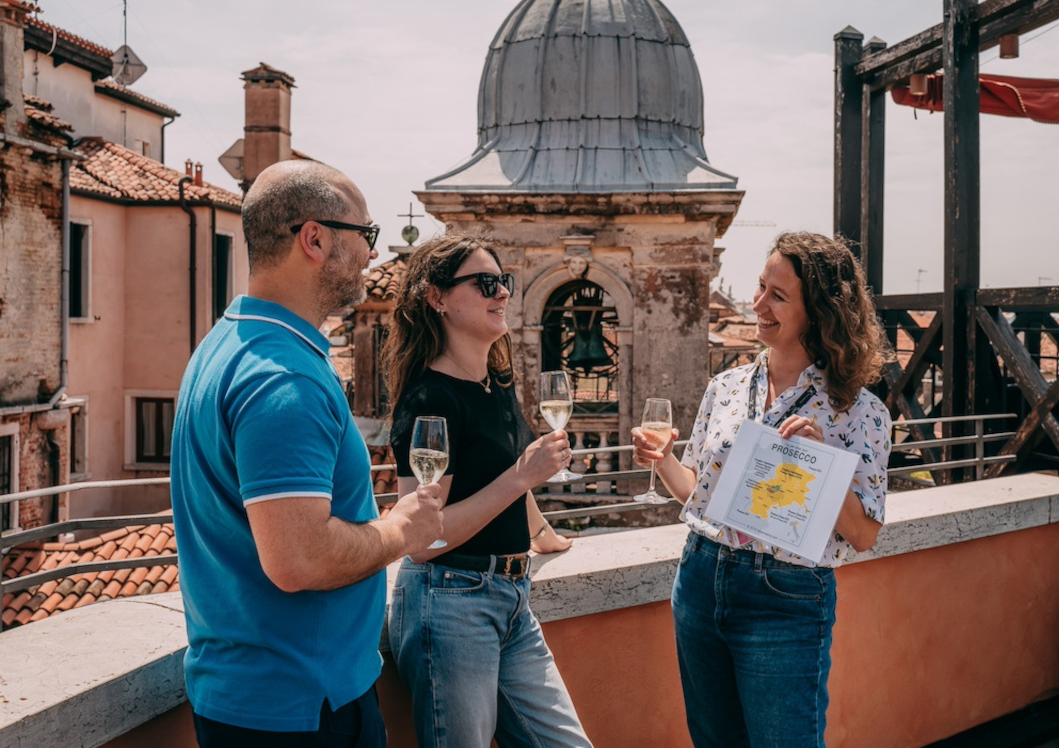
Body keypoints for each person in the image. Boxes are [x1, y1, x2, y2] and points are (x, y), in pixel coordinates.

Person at [170, 160, 446, 748]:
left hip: (248, 695)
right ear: (314, 239)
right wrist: (401, 529)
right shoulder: (283, 379)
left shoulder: (225, 345)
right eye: (365, 236)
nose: (374, 254)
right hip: (300, 707)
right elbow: (298, 559)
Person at [633, 231, 892, 748]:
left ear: (819, 312)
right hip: (702, 577)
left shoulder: (861, 412)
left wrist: (825, 464)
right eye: (759, 288)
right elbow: (699, 498)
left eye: (777, 295)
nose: (757, 305)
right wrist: (662, 461)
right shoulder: (724, 388)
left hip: (787, 596)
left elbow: (864, 535)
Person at [382, 233, 593, 748]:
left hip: (512, 595)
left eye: (504, 281)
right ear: (437, 298)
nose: (501, 293)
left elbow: (510, 484)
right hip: (450, 598)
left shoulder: (494, 383)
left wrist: (543, 536)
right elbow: (425, 537)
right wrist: (523, 475)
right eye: (484, 283)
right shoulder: (430, 401)